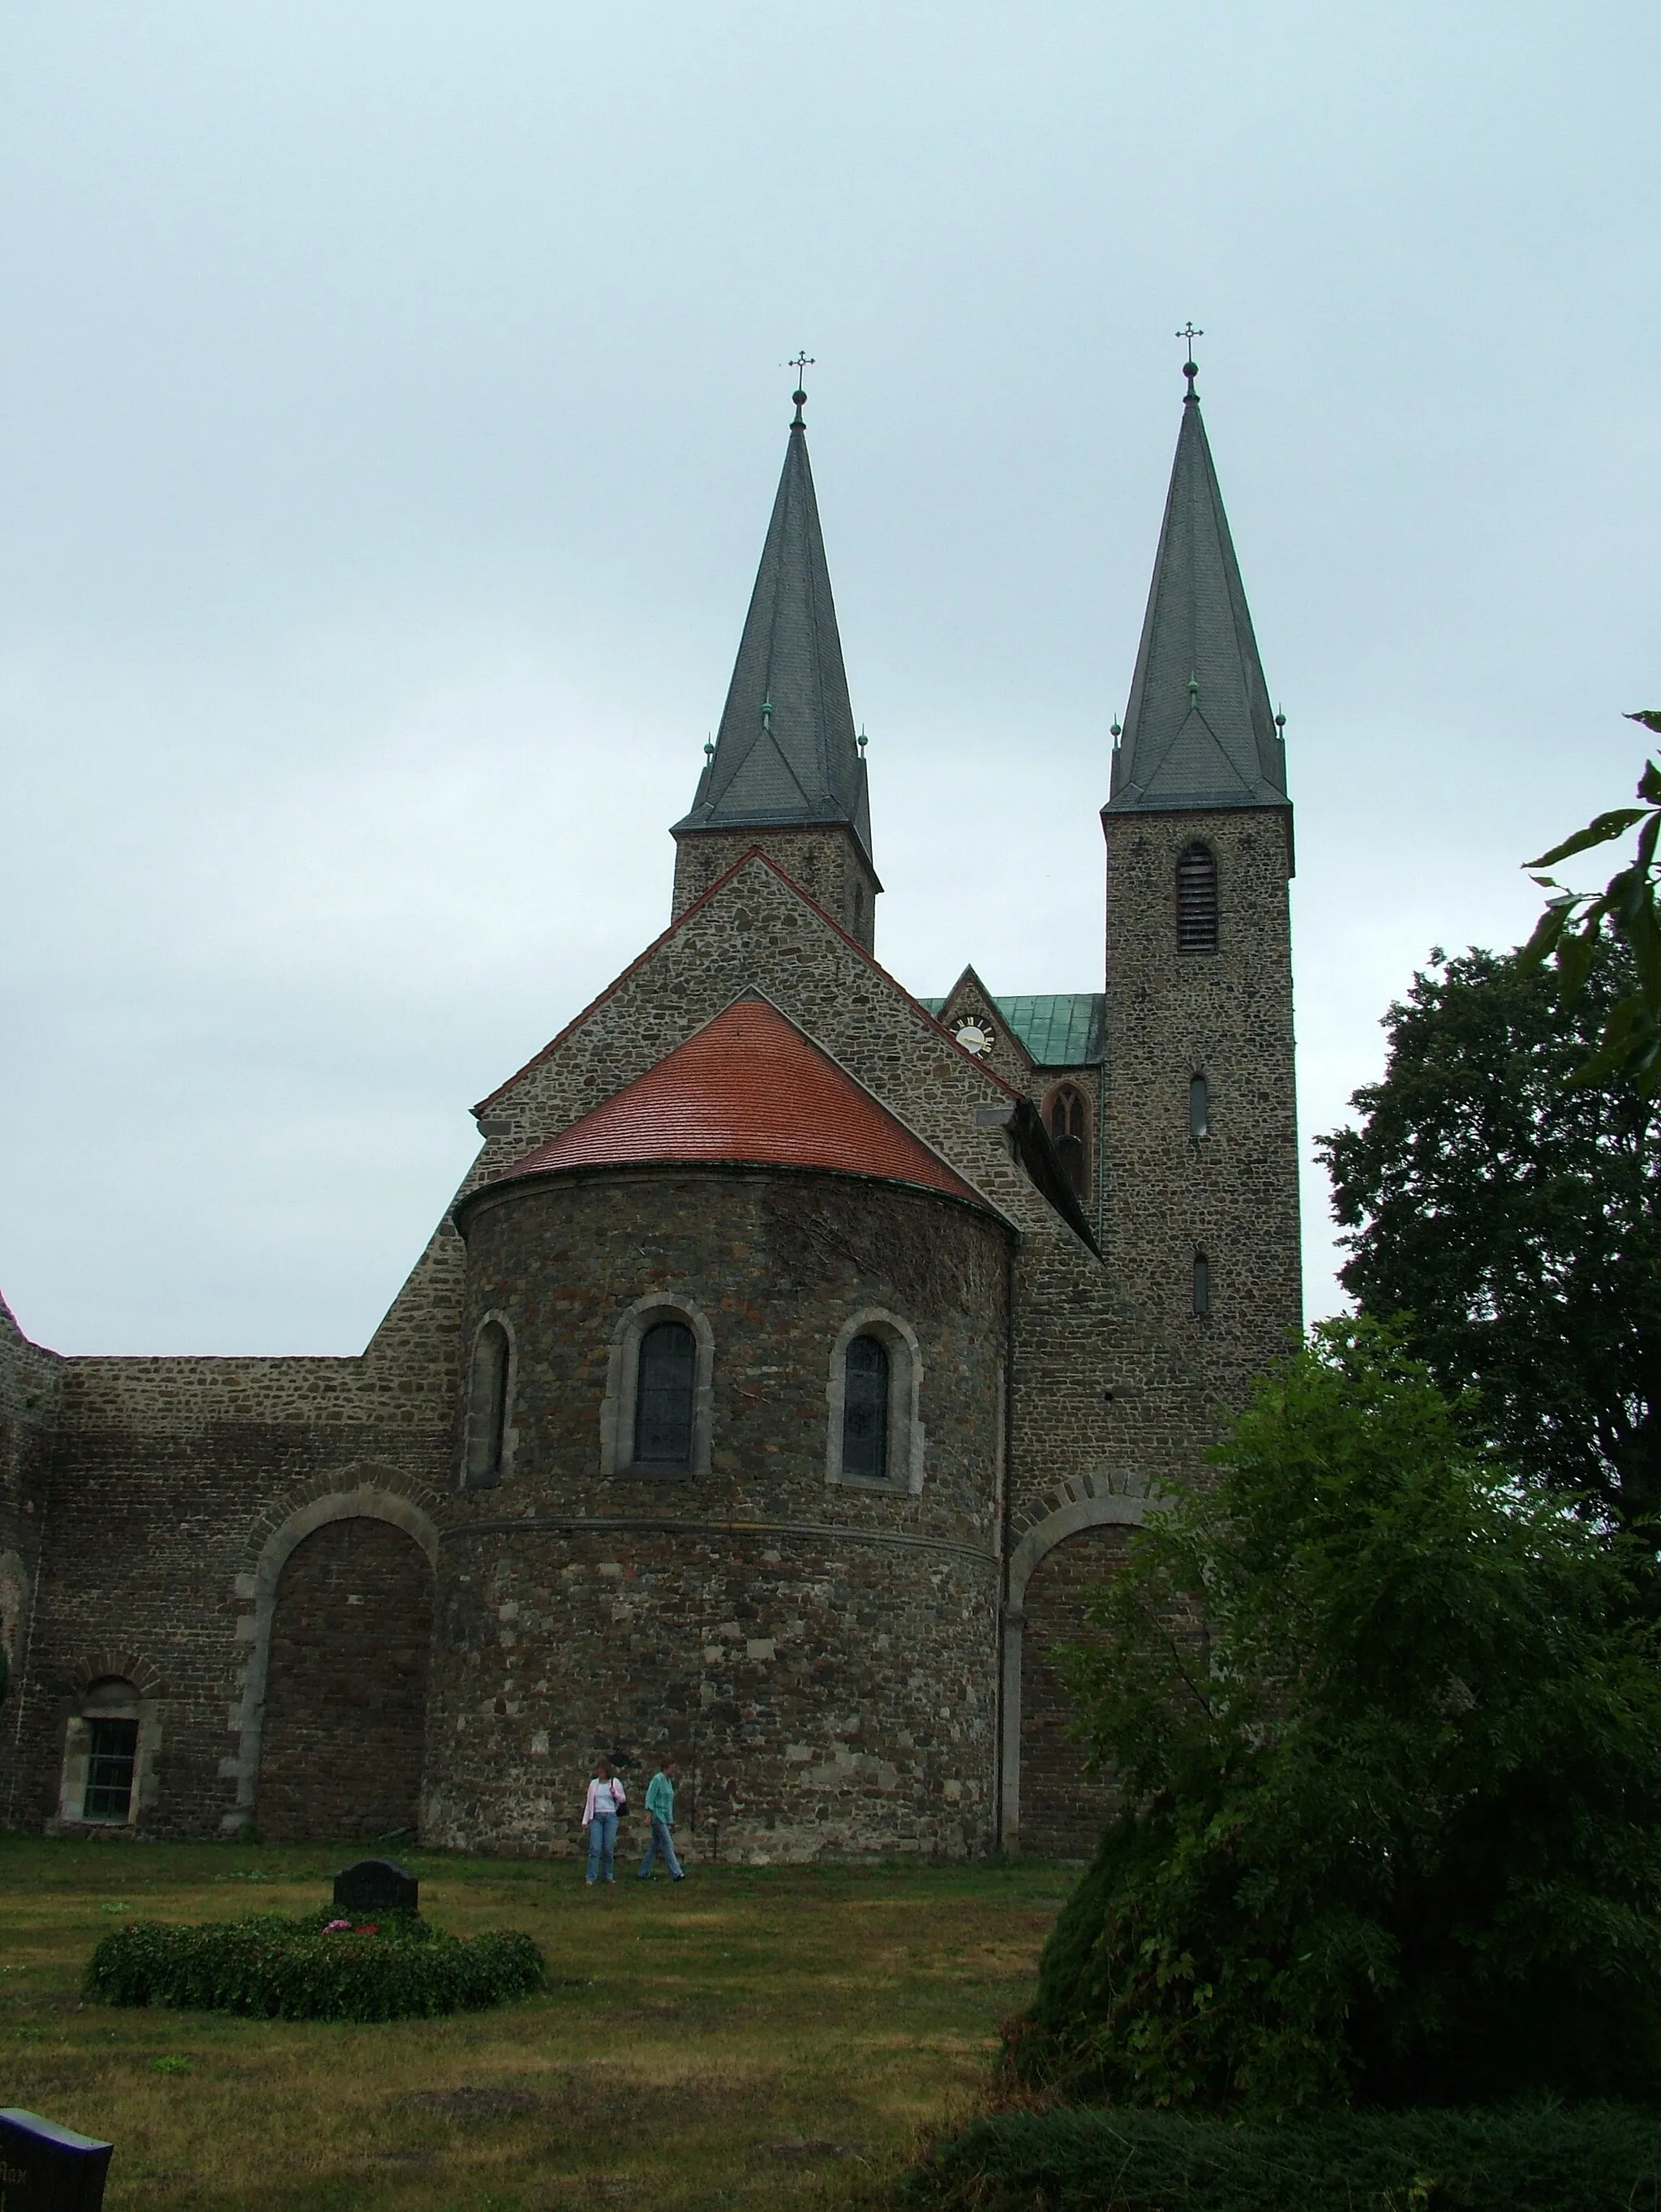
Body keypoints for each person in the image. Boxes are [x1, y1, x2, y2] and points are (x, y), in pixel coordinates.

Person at [637, 1762, 685, 1881]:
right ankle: (676, 1872)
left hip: (664, 1816)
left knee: (654, 1846)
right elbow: (650, 1797)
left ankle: (643, 1872)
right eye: (672, 1768)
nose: (674, 1770)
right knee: (667, 1843)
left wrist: (671, 1821)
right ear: (665, 1768)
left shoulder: (668, 1782)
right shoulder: (657, 1779)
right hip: (657, 1816)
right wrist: (649, 1815)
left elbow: (668, 1803)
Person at [582, 1759, 626, 1884]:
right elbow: (589, 1803)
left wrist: (615, 1794)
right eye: (598, 1769)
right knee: (595, 1848)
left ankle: (608, 1875)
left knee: (608, 1848)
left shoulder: (614, 1782)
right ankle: (591, 1876)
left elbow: (622, 1799)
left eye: (602, 1769)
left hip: (611, 1816)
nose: (600, 1772)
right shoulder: (593, 1784)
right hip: (597, 1817)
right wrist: (586, 1820)